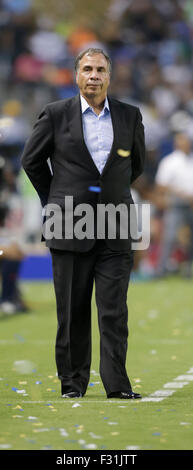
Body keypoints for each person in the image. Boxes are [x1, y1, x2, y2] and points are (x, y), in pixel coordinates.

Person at [21, 48, 145, 399]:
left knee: (114, 312)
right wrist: (57, 199)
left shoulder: (130, 116)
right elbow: (31, 161)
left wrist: (111, 193)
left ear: (110, 75)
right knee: (72, 311)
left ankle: (118, 387)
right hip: (68, 223)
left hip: (116, 224)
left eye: (100, 70)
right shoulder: (56, 114)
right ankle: (72, 385)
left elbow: (135, 166)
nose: (93, 75)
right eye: (87, 69)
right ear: (76, 74)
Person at [155, 132, 193, 277]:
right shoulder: (170, 161)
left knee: (191, 240)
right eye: (182, 140)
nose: (185, 143)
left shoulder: (191, 159)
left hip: (191, 204)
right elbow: (161, 185)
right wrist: (181, 194)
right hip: (177, 204)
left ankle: (188, 271)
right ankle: (161, 270)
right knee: (169, 237)